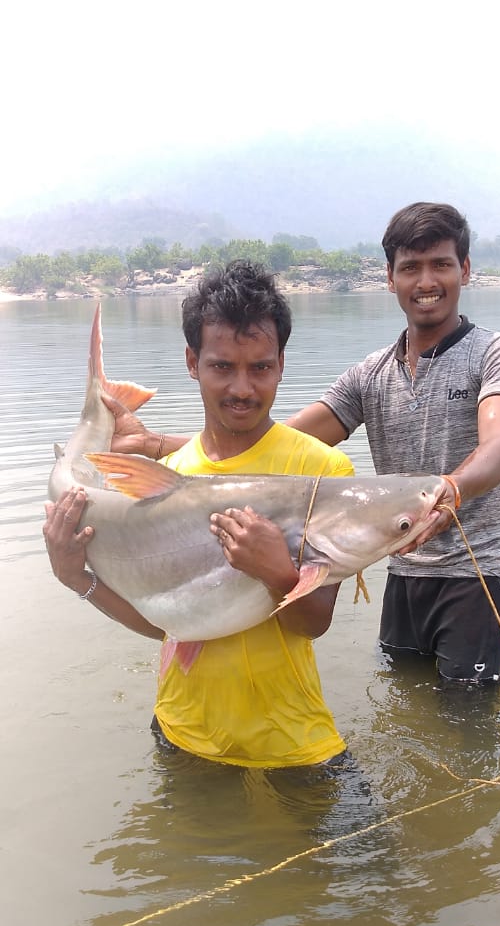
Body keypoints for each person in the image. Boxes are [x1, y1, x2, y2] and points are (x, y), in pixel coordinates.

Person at [43, 261, 354, 768]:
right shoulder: (162, 481)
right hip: (181, 731)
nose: (242, 389)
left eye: (260, 367)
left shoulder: (319, 470)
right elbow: (164, 621)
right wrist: (76, 577)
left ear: (281, 363)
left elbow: (314, 623)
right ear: (192, 362)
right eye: (222, 366)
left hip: (291, 738)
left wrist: (277, 571)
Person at [287, 201, 500, 686]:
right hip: (403, 574)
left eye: (440, 264)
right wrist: (158, 445)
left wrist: (452, 491)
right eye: (411, 268)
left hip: (480, 578)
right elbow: (284, 443)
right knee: (404, 710)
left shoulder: (498, 354)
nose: (426, 282)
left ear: (464, 269)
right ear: (390, 277)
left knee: (468, 726)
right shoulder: (370, 375)